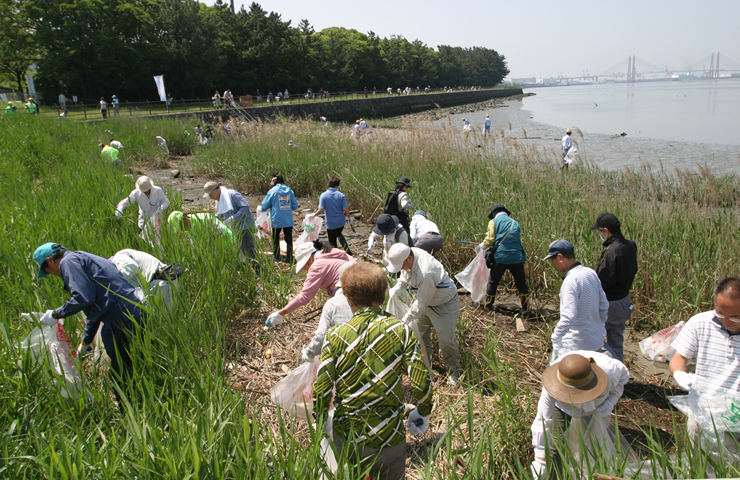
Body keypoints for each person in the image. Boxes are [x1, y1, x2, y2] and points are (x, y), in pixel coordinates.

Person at [313, 262, 433, 480]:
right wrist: (423, 411)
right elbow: (421, 383)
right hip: (388, 436)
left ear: (348, 298)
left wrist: (320, 420)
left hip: (348, 435)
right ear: (384, 295)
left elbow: (321, 388)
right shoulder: (400, 331)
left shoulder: (336, 336)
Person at [30, 242, 143, 387]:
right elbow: (94, 308)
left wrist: (57, 313)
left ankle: (126, 407)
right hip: (135, 310)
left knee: (121, 374)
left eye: (48, 270)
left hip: (118, 318)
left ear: (49, 261)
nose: (53, 274)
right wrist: (86, 342)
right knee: (134, 364)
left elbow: (83, 298)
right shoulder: (84, 257)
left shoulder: (67, 262)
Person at [530, 351, 630, 480]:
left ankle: (592, 473)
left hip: (595, 408)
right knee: (556, 443)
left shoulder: (610, 371)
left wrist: (609, 404)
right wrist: (540, 458)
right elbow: (543, 419)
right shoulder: (552, 382)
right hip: (563, 408)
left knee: (595, 444)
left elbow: (623, 379)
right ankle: (555, 476)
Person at [670, 278, 740, 454]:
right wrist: (680, 373)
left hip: (736, 415)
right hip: (701, 412)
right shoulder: (700, 323)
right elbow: (679, 358)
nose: (727, 321)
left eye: (734, 317)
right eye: (720, 313)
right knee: (697, 463)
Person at [386, 243, 462, 384]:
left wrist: (405, 319)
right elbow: (405, 274)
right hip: (426, 303)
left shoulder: (426, 272)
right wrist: (398, 287)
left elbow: (421, 302)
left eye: (401, 265)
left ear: (409, 259)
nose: (401, 268)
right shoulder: (410, 253)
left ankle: (454, 373)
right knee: (420, 335)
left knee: (446, 340)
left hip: (444, 305)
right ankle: (427, 367)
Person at [544, 239, 609, 361]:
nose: (553, 264)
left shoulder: (571, 280)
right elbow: (604, 305)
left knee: (575, 378)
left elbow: (568, 316)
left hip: (576, 346)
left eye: (552, 260)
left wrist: (556, 337)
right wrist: (600, 327)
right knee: (593, 377)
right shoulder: (590, 273)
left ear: (560, 257)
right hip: (596, 342)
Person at [265, 241, 351, 327]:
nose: (306, 269)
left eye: (305, 266)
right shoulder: (335, 253)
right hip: (360, 287)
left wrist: (280, 313)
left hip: (347, 294)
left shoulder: (317, 266)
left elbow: (304, 296)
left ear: (309, 259)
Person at [590, 213, 637, 362]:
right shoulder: (630, 245)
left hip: (611, 304)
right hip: (624, 300)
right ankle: (620, 377)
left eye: (600, 231)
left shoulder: (611, 251)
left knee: (594, 338)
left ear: (606, 230)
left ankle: (606, 372)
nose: (600, 234)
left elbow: (603, 280)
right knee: (616, 340)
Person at [300, 261, 355, 363]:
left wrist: (309, 353)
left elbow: (321, 336)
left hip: (342, 362)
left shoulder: (333, 304)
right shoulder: (375, 301)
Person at [480, 204, 529, 312]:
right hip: (517, 257)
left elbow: (490, 239)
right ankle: (525, 308)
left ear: (494, 214)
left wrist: (482, 246)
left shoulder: (493, 221)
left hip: (501, 257)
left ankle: (488, 306)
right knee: (521, 283)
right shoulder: (515, 223)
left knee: (493, 282)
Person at [203, 181, 260, 270]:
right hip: (234, 228)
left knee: (248, 249)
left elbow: (245, 207)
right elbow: (222, 212)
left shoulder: (232, 194)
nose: (211, 198)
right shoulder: (220, 199)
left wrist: (233, 218)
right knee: (238, 250)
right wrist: (213, 218)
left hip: (244, 226)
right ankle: (244, 271)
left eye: (210, 195)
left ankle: (259, 271)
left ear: (216, 191)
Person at [109, 248, 178, 308]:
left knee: (161, 320)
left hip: (160, 283)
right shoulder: (123, 258)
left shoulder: (118, 257)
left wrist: (113, 286)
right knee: (161, 320)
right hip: (162, 282)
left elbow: (131, 268)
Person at [260, 172, 298, 263]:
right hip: (288, 219)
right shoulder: (289, 191)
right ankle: (289, 257)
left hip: (276, 219)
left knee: (276, 238)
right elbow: (295, 206)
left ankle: (276, 257)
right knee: (288, 238)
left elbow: (264, 206)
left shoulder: (272, 191)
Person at [314, 176, 352, 254]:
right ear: (337, 186)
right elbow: (345, 209)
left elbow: (321, 210)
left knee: (332, 240)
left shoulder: (323, 195)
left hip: (330, 223)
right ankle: (348, 251)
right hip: (340, 222)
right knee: (338, 234)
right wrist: (349, 217)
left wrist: (313, 215)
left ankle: (334, 254)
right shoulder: (341, 195)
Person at [167, 210, 235, 245]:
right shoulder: (187, 228)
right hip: (215, 249)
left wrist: (207, 243)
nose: (182, 230)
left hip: (228, 243)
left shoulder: (204, 219)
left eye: (180, 227)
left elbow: (220, 230)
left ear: (184, 219)